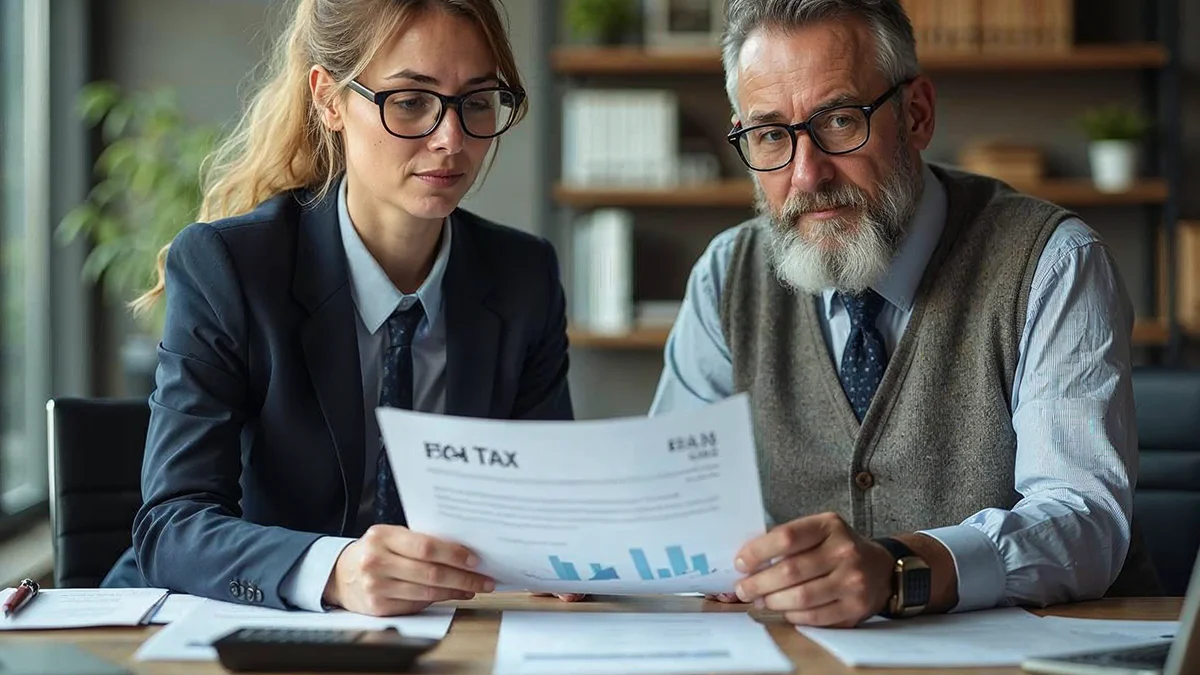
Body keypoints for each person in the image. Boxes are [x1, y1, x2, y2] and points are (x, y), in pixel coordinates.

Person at [650, 0, 1159, 628]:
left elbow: (1084, 521)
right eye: (772, 135)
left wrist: (901, 569)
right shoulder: (727, 274)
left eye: (840, 121)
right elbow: (671, 494)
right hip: (798, 654)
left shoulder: (1053, 263)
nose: (806, 175)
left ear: (916, 114)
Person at [100, 0, 580, 616]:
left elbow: (546, 502)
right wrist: (333, 571)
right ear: (329, 101)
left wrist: (565, 548)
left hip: (444, 630)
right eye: (411, 101)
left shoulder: (522, 276)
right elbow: (172, 527)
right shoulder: (230, 268)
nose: (451, 139)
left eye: (478, 101)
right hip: (232, 625)